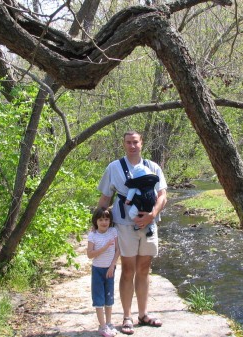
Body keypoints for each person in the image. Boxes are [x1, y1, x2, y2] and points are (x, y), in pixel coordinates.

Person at [97, 131, 167, 335]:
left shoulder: (153, 167)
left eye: (135, 142)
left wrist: (152, 215)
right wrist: (97, 225)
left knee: (144, 268)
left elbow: (163, 195)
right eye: (128, 142)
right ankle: (127, 317)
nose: (132, 146)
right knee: (128, 269)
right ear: (123, 144)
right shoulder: (114, 167)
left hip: (149, 224)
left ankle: (143, 314)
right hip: (124, 225)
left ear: (141, 143)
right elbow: (105, 198)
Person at [87, 207, 120, 337]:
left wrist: (112, 266)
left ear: (110, 221)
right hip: (97, 270)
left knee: (109, 296)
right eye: (101, 219)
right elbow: (90, 255)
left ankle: (109, 323)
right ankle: (102, 326)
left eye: (106, 219)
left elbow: (118, 250)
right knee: (98, 297)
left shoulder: (113, 231)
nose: (104, 222)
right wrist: (105, 247)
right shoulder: (93, 235)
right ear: (96, 221)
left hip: (110, 269)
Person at [124, 165, 159, 237]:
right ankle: (151, 227)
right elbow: (155, 194)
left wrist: (128, 200)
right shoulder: (151, 185)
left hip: (139, 204)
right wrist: (155, 197)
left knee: (131, 213)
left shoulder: (135, 185)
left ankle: (139, 223)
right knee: (151, 215)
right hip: (150, 204)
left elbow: (131, 192)